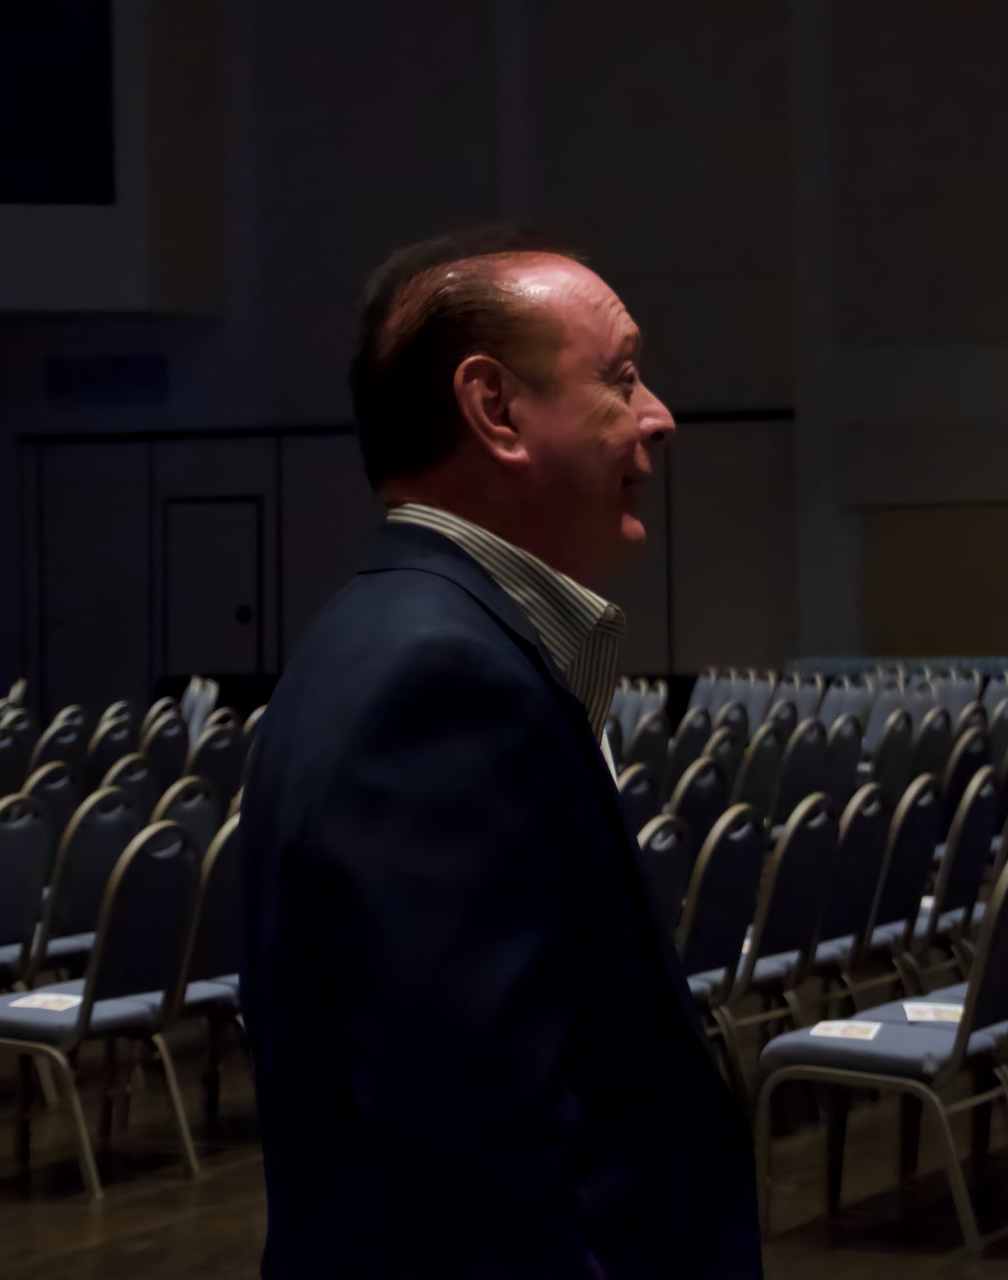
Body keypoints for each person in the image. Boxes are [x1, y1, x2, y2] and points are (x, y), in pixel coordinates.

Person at [241, 228, 761, 1278]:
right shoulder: (437, 682)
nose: (658, 414)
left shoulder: (403, 634)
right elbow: (474, 1170)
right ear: (495, 409)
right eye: (621, 378)